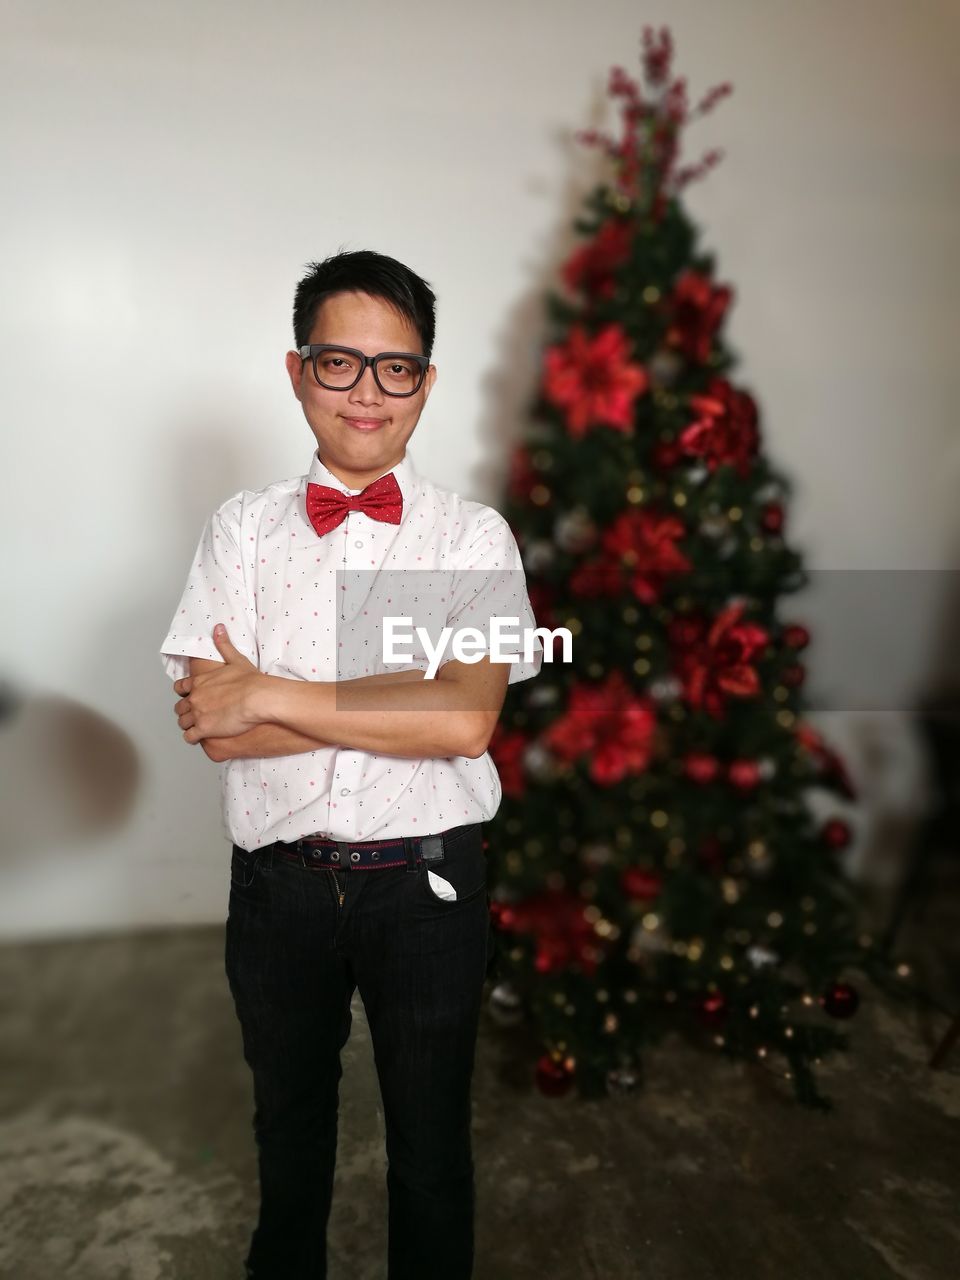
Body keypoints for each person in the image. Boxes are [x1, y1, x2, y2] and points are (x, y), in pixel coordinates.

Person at [159, 248, 543, 1280]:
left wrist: (276, 688)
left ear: (425, 380)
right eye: (340, 363)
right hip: (277, 884)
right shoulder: (241, 531)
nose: (367, 392)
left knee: (429, 1150)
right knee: (287, 1137)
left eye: (397, 367)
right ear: (298, 373)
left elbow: (464, 718)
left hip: (430, 880)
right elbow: (215, 722)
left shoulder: (471, 538)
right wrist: (385, 701)